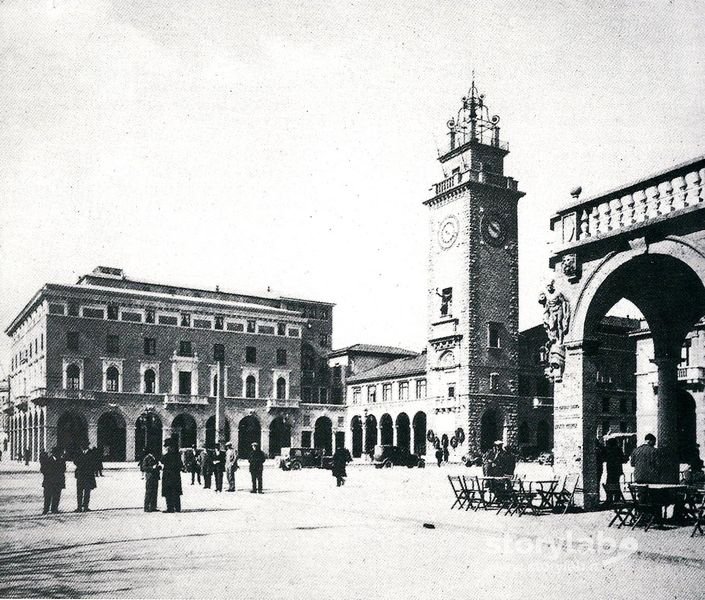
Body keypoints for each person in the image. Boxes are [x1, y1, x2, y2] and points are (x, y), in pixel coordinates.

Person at [41, 447, 66, 514]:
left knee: (56, 496)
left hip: (58, 481)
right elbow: (43, 470)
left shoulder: (61, 460)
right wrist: (49, 474)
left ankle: (54, 509)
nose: (59, 455)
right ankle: (46, 509)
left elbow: (63, 469)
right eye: (57, 453)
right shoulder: (47, 460)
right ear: (54, 453)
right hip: (49, 481)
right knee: (47, 496)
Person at [161, 440, 183, 513]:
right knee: (176, 492)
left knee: (168, 492)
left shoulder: (167, 455)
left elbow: (162, 461)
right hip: (176, 476)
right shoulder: (178, 455)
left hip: (168, 476)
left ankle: (170, 508)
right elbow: (180, 465)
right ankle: (177, 508)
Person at [74, 444, 97, 512]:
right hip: (80, 475)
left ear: (87, 445)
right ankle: (79, 507)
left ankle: (86, 507)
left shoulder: (91, 453)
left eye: (84, 444)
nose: (82, 446)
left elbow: (94, 462)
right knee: (79, 492)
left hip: (88, 475)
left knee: (87, 492)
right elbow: (75, 461)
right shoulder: (78, 452)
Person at [604, 438, 627, 504]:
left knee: (609, 483)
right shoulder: (618, 449)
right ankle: (617, 498)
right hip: (617, 470)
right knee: (616, 484)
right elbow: (623, 459)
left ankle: (609, 498)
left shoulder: (608, 450)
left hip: (610, 469)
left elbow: (605, 458)